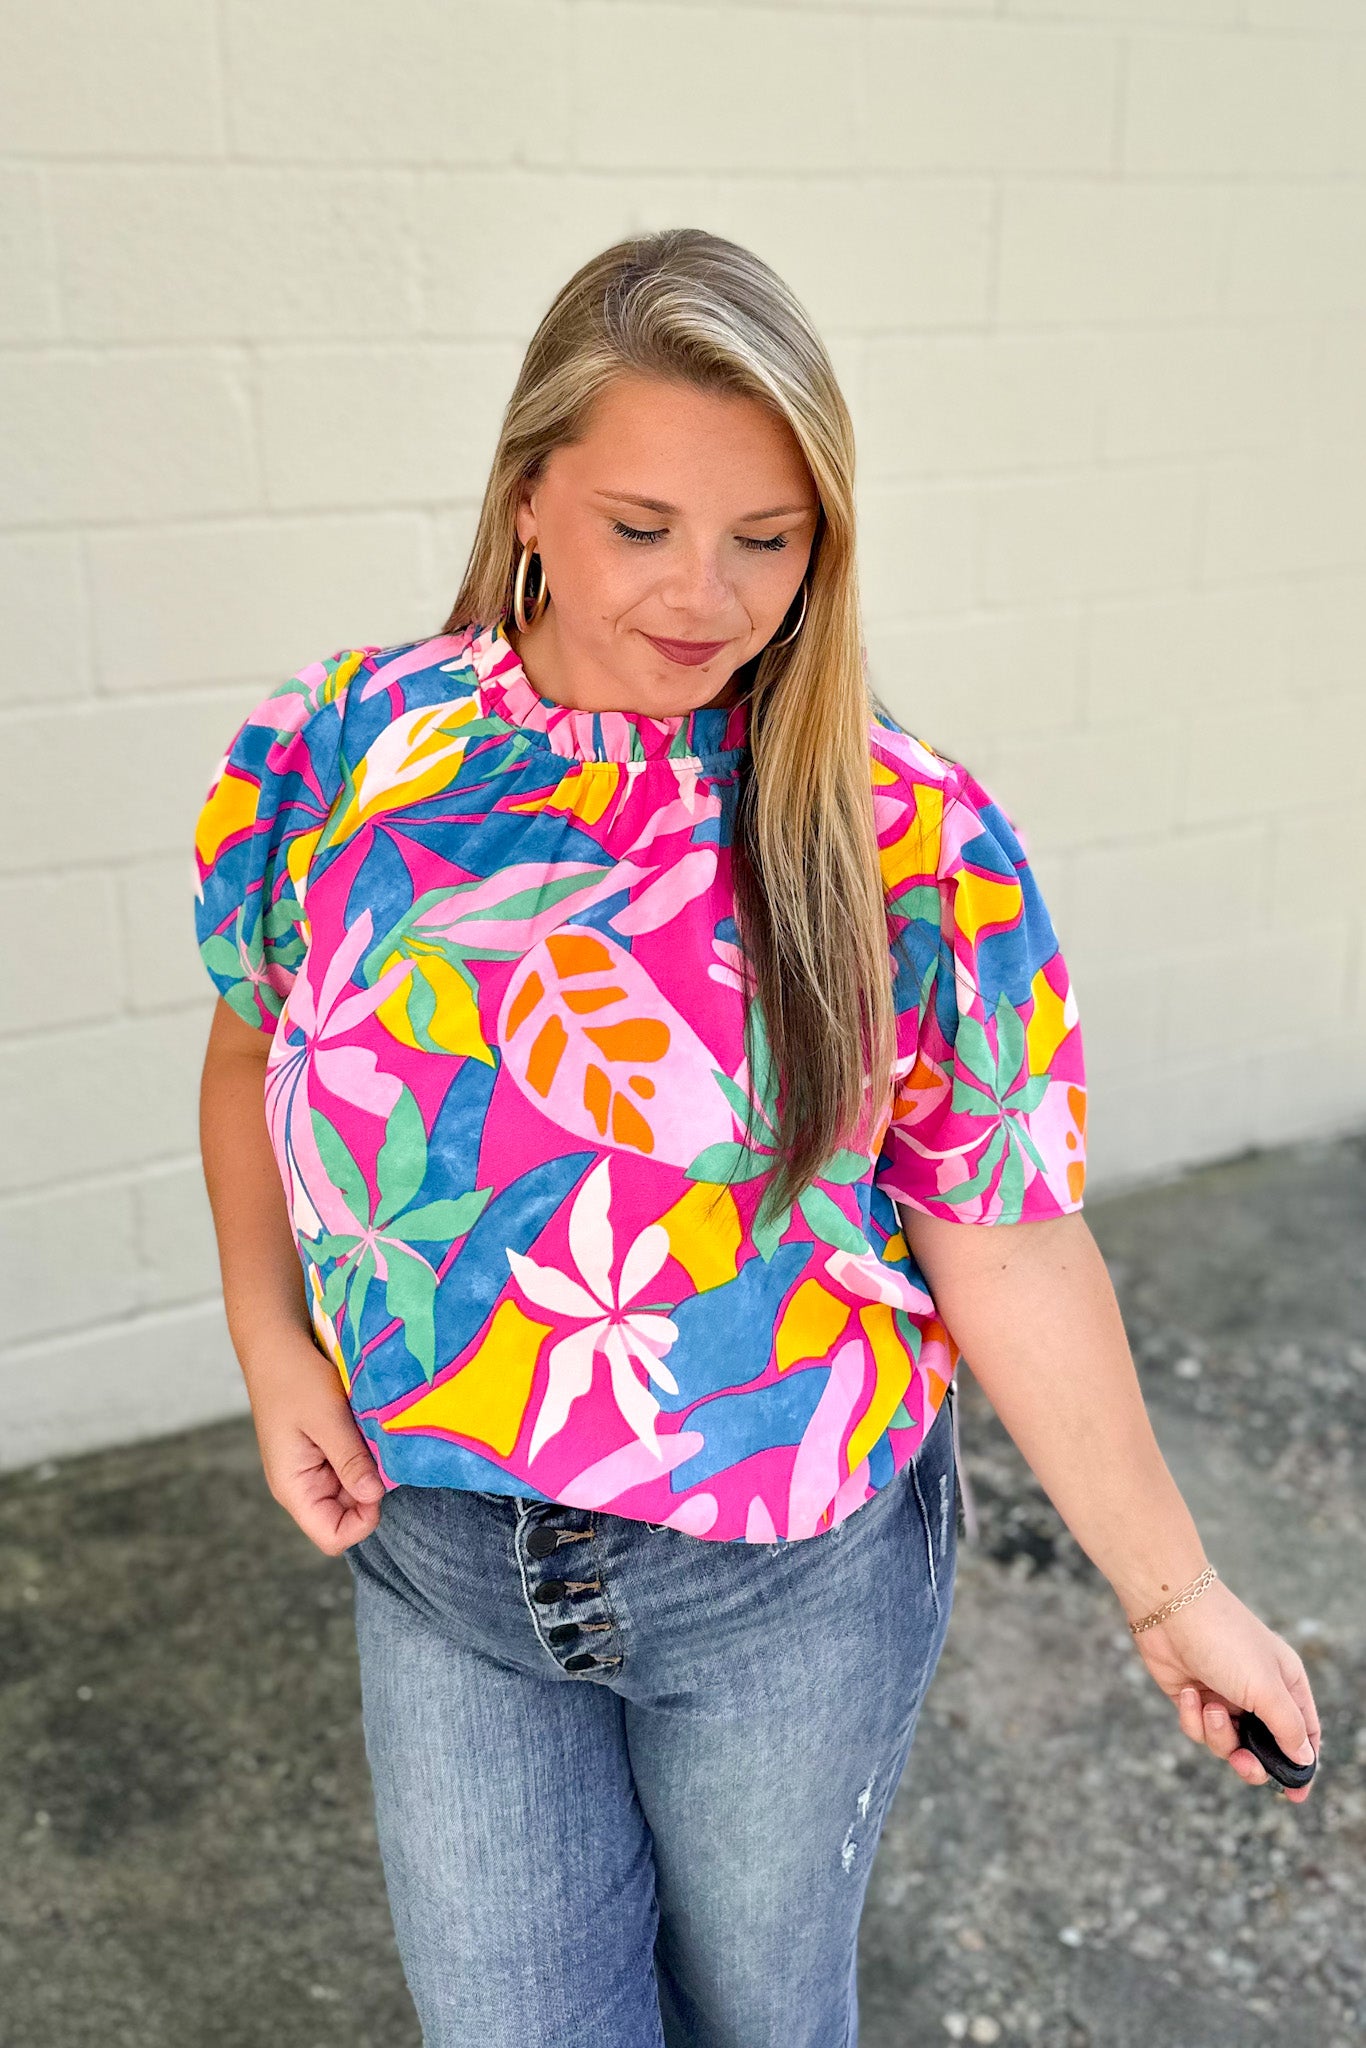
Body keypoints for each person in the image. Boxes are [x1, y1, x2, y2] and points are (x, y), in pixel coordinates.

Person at [194, 229, 1320, 2048]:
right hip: (443, 1558)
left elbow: (1003, 1232)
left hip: (776, 1593)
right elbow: (252, 1050)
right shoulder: (341, 751)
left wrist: (1173, 1590)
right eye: (642, 526)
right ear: (531, 497)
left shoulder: (901, 836)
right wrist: (271, 1350)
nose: (702, 596)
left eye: (766, 538)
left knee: (757, 2017)